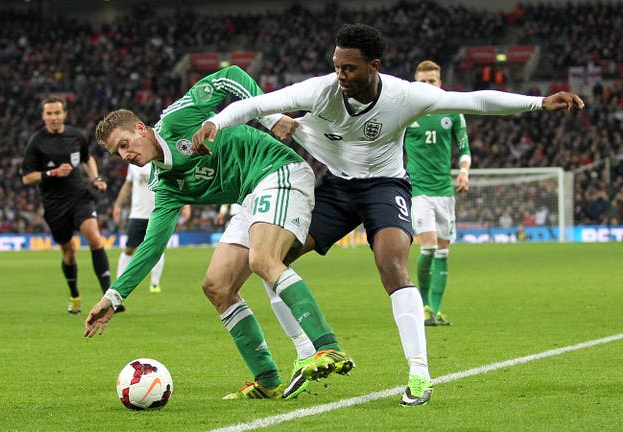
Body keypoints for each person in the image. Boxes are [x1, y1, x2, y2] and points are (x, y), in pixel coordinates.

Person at [193, 23, 584, 406]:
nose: (341, 75)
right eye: (337, 66)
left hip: (385, 187)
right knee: (272, 260)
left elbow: (476, 100)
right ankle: (307, 352)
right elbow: (254, 105)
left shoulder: (407, 96)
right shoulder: (320, 90)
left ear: (374, 65)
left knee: (392, 266)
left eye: (350, 68)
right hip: (336, 188)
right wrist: (215, 121)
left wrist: (539, 102)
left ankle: (419, 371)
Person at [83, 66, 354, 400]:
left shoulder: (178, 118)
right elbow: (151, 246)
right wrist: (113, 297)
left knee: (263, 259)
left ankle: (327, 348)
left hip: (277, 169)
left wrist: (271, 119)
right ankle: (267, 379)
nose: (125, 155)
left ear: (141, 129)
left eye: (125, 144)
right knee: (217, 287)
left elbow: (233, 77)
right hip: (249, 196)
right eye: (117, 153)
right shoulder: (165, 185)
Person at [21, 96, 118, 315]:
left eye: (57, 113)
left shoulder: (77, 136)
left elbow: (88, 158)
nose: (53, 117)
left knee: (94, 237)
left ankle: (110, 296)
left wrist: (95, 178)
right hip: (55, 204)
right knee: (69, 251)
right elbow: (27, 178)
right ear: (43, 116)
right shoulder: (37, 142)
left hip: (79, 196)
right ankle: (74, 295)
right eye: (49, 113)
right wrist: (51, 173)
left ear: (64, 114)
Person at [403, 60, 471, 326]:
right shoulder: (407, 114)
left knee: (443, 252)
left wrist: (464, 171)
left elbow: (464, 149)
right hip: (418, 190)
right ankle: (422, 306)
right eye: (422, 82)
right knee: (428, 247)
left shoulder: (453, 111)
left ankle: (436, 310)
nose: (428, 86)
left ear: (440, 83)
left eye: (432, 82)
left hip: (445, 191)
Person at [112, 163, 192, 293]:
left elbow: (178, 182)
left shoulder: (162, 162)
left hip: (159, 212)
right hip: (137, 214)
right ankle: (118, 282)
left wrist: (186, 204)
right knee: (129, 249)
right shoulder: (133, 165)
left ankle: (155, 283)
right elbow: (127, 185)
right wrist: (117, 205)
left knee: (157, 249)